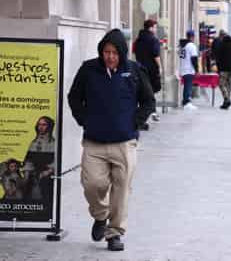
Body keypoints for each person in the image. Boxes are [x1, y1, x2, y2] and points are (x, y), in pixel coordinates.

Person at [68, 29, 155, 251]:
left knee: (121, 189)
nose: (110, 56)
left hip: (124, 143)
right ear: (101, 52)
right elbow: (74, 97)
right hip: (94, 142)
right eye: (106, 52)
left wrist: (135, 122)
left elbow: (148, 101)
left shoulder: (134, 71)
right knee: (92, 185)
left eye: (115, 52)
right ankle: (100, 215)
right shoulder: (89, 70)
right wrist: (83, 120)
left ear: (122, 53)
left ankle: (114, 233)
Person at [133, 19, 162, 125]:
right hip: (151, 70)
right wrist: (160, 67)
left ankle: (150, 112)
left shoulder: (138, 39)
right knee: (150, 93)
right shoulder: (153, 40)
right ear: (150, 28)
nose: (156, 29)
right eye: (155, 27)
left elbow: (134, 52)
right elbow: (156, 55)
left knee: (143, 92)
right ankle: (148, 114)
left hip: (139, 69)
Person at [22, 116, 55, 202]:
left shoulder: (54, 143)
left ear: (49, 126)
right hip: (34, 175)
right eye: (39, 124)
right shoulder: (34, 142)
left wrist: (47, 172)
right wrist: (26, 174)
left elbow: (57, 162)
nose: (40, 127)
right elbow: (28, 160)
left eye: (44, 124)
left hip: (48, 176)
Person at [216, 34, 231, 109]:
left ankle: (226, 98)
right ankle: (227, 101)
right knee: (228, 85)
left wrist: (218, 68)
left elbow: (218, 57)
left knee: (221, 84)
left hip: (223, 69)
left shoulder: (221, 46)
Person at [179, 30, 199, 110]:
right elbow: (194, 59)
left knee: (186, 85)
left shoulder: (182, 45)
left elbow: (181, 56)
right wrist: (196, 70)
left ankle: (185, 101)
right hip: (189, 69)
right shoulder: (191, 46)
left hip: (183, 68)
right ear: (192, 37)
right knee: (188, 86)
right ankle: (187, 102)